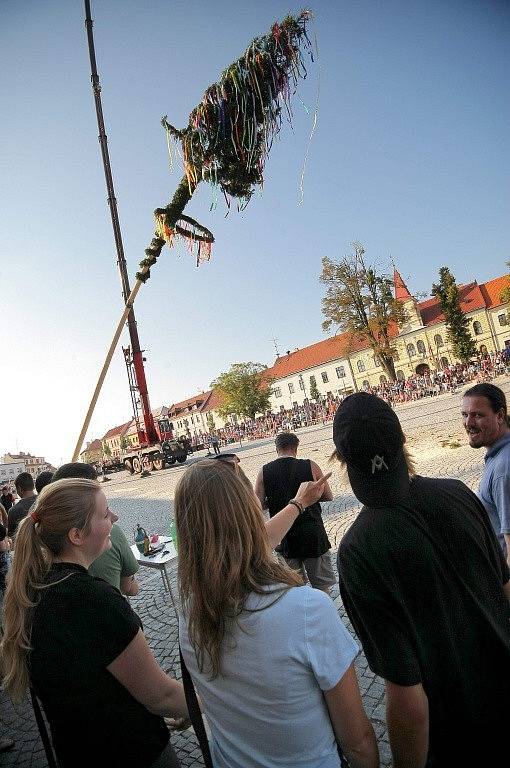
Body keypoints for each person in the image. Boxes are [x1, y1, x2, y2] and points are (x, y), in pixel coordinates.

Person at [333, 392, 510, 768]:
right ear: (403, 440)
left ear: (343, 460)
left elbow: (408, 697)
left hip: (457, 742)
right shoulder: (459, 493)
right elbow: (506, 590)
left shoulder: (357, 551)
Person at [176, 459, 378, 768]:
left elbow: (241, 550)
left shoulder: (190, 611)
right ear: (250, 515)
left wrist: (298, 503)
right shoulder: (307, 610)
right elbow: (358, 742)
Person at [1, 478, 188, 768]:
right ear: (76, 535)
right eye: (105, 514)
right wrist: (203, 704)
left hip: (78, 753)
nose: (115, 517)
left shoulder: (34, 591)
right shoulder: (94, 599)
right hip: (132, 754)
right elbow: (160, 695)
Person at [254, 432, 335, 593]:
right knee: (322, 587)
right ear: (296, 448)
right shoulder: (310, 465)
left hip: (284, 536)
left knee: (295, 589)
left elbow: (258, 505)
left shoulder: (264, 471)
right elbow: (328, 496)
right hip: (313, 534)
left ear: (277, 449)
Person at [52, 462, 139, 596]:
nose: (115, 517)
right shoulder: (111, 533)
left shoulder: (40, 545)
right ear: (76, 535)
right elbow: (128, 588)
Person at [462, 382, 510, 563]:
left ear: (499, 415)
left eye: (477, 415)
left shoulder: (503, 469)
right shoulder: (499, 456)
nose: (468, 423)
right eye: (465, 415)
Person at [7, 472, 37, 537]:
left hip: (25, 546)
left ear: (19, 489)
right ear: (33, 485)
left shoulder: (13, 511)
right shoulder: (45, 501)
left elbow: (12, 537)